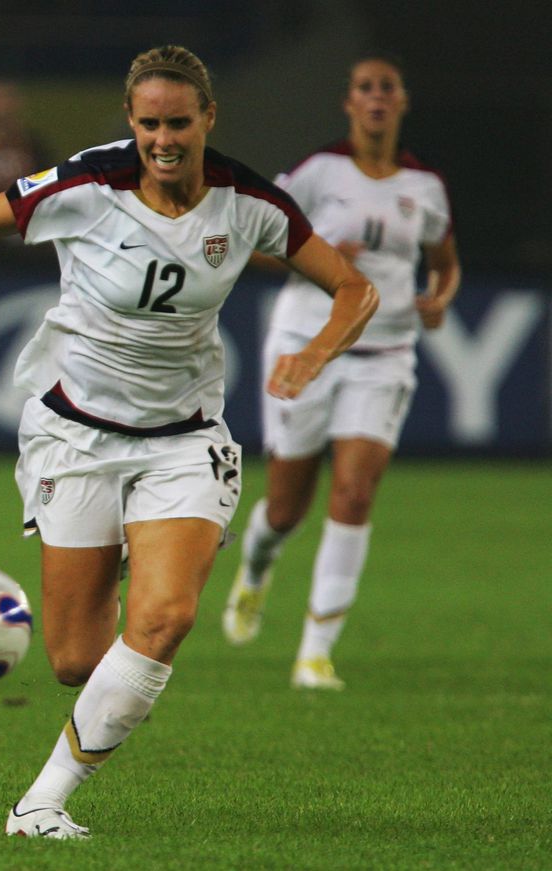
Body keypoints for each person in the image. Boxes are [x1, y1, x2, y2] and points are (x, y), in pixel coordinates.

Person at [0, 45, 378, 838]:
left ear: (209, 118)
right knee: (76, 660)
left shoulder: (248, 202)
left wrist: (314, 355)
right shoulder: (86, 185)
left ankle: (40, 803)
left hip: (183, 442)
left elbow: (354, 287)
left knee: (165, 618)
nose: (164, 139)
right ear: (131, 120)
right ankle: (134, 552)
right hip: (76, 438)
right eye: (150, 124)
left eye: (180, 122)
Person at [221, 56, 460, 690]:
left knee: (354, 494)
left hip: (385, 352)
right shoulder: (319, 172)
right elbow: (258, 241)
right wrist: (317, 259)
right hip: (308, 345)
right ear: (349, 103)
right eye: (364, 88)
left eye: (387, 87)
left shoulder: (425, 186)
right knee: (286, 508)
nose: (376, 97)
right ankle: (255, 569)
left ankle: (315, 653)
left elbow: (445, 261)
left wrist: (439, 297)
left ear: (401, 101)